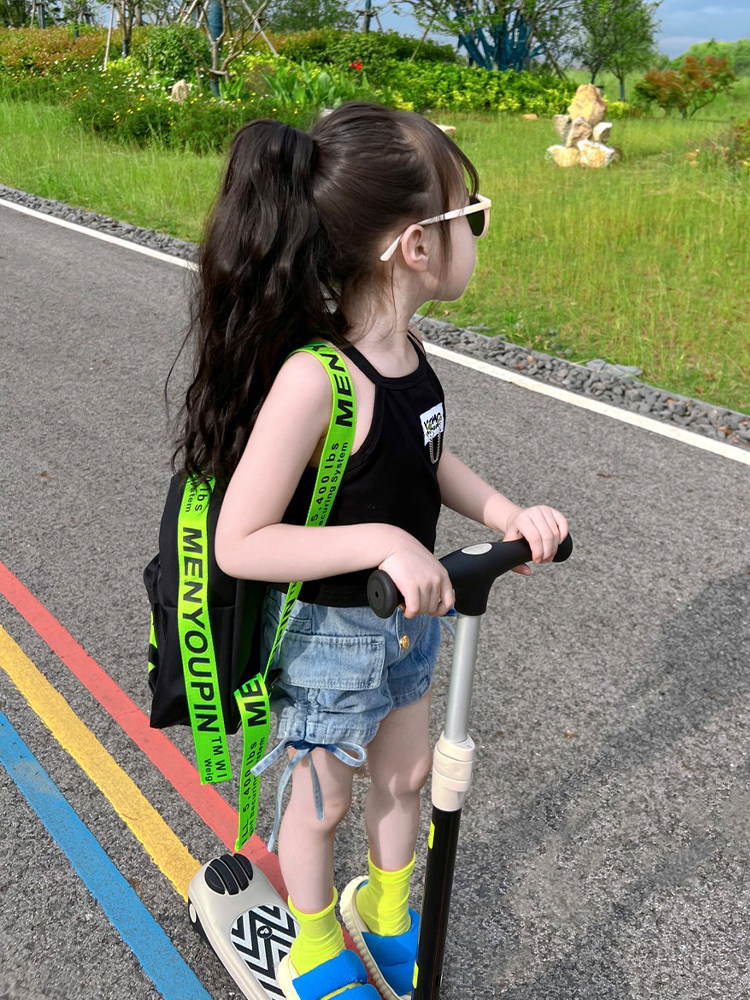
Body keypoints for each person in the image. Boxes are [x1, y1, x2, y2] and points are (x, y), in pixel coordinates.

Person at [174, 101, 568, 1000]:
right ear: (416, 245)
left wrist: (504, 510)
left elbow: (425, 456)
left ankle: (385, 914)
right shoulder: (315, 379)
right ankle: (314, 945)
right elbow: (241, 541)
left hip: (408, 623)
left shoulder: (410, 355)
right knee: (326, 800)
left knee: (408, 775)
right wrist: (386, 540)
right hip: (329, 636)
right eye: (472, 216)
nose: (478, 234)